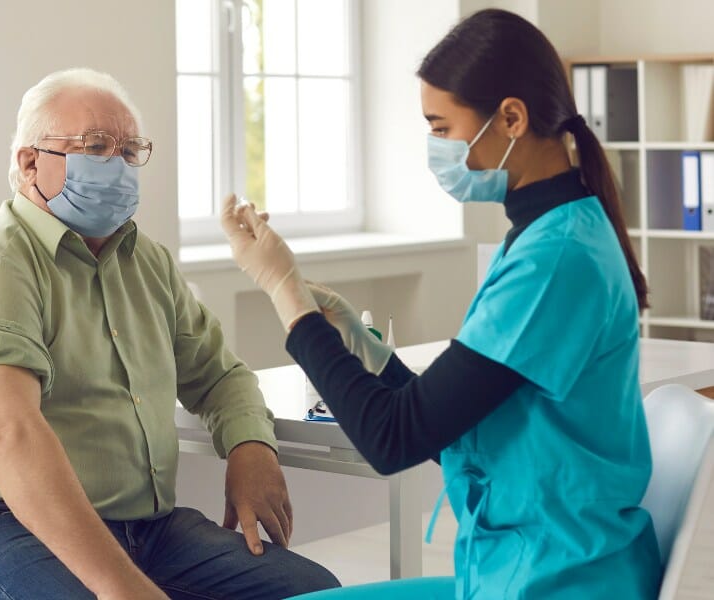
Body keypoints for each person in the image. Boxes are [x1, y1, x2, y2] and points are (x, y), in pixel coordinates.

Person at [222, 9, 661, 600]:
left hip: (559, 579)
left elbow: (393, 440)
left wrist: (287, 297)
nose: (434, 148)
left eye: (441, 127)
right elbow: (444, 423)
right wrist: (360, 342)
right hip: (524, 566)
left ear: (510, 117)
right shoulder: (549, 235)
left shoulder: (553, 258)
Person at [0, 67, 339, 600]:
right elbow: (8, 434)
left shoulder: (147, 261)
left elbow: (220, 375)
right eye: (94, 146)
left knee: (316, 592)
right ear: (29, 163)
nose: (117, 164)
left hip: (145, 528)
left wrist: (251, 449)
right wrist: (122, 588)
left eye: (131, 150)